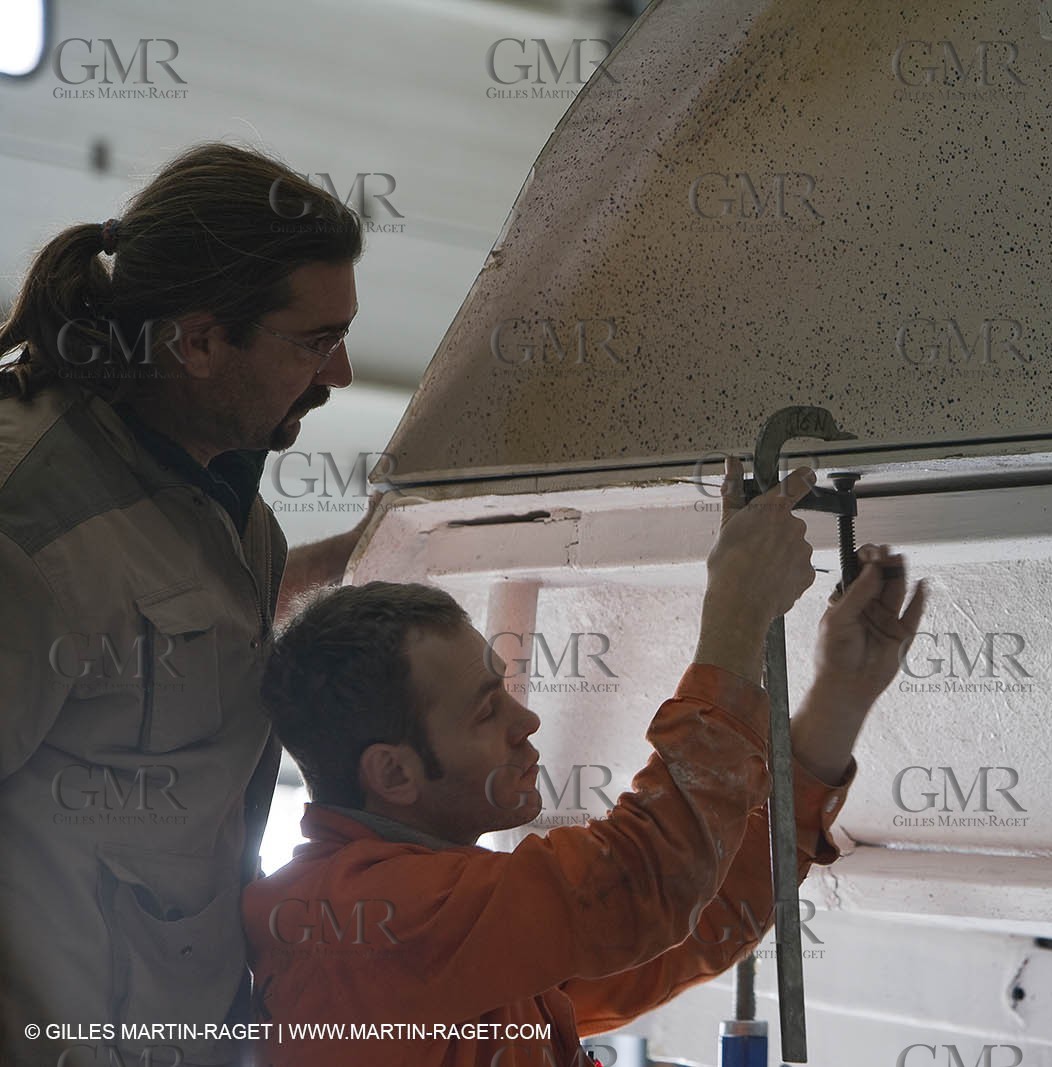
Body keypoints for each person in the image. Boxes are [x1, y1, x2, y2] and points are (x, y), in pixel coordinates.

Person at [243, 460, 927, 1067]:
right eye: (486, 711)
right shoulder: (362, 924)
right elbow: (640, 885)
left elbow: (690, 921)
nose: (526, 722)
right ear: (393, 774)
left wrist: (841, 695)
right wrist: (736, 614)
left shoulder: (445, 931)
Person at [0, 142, 378, 1067]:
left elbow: (163, 626)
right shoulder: (26, 516)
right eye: (315, 340)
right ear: (201, 341)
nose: (339, 373)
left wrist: (357, 559)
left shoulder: (219, 487)